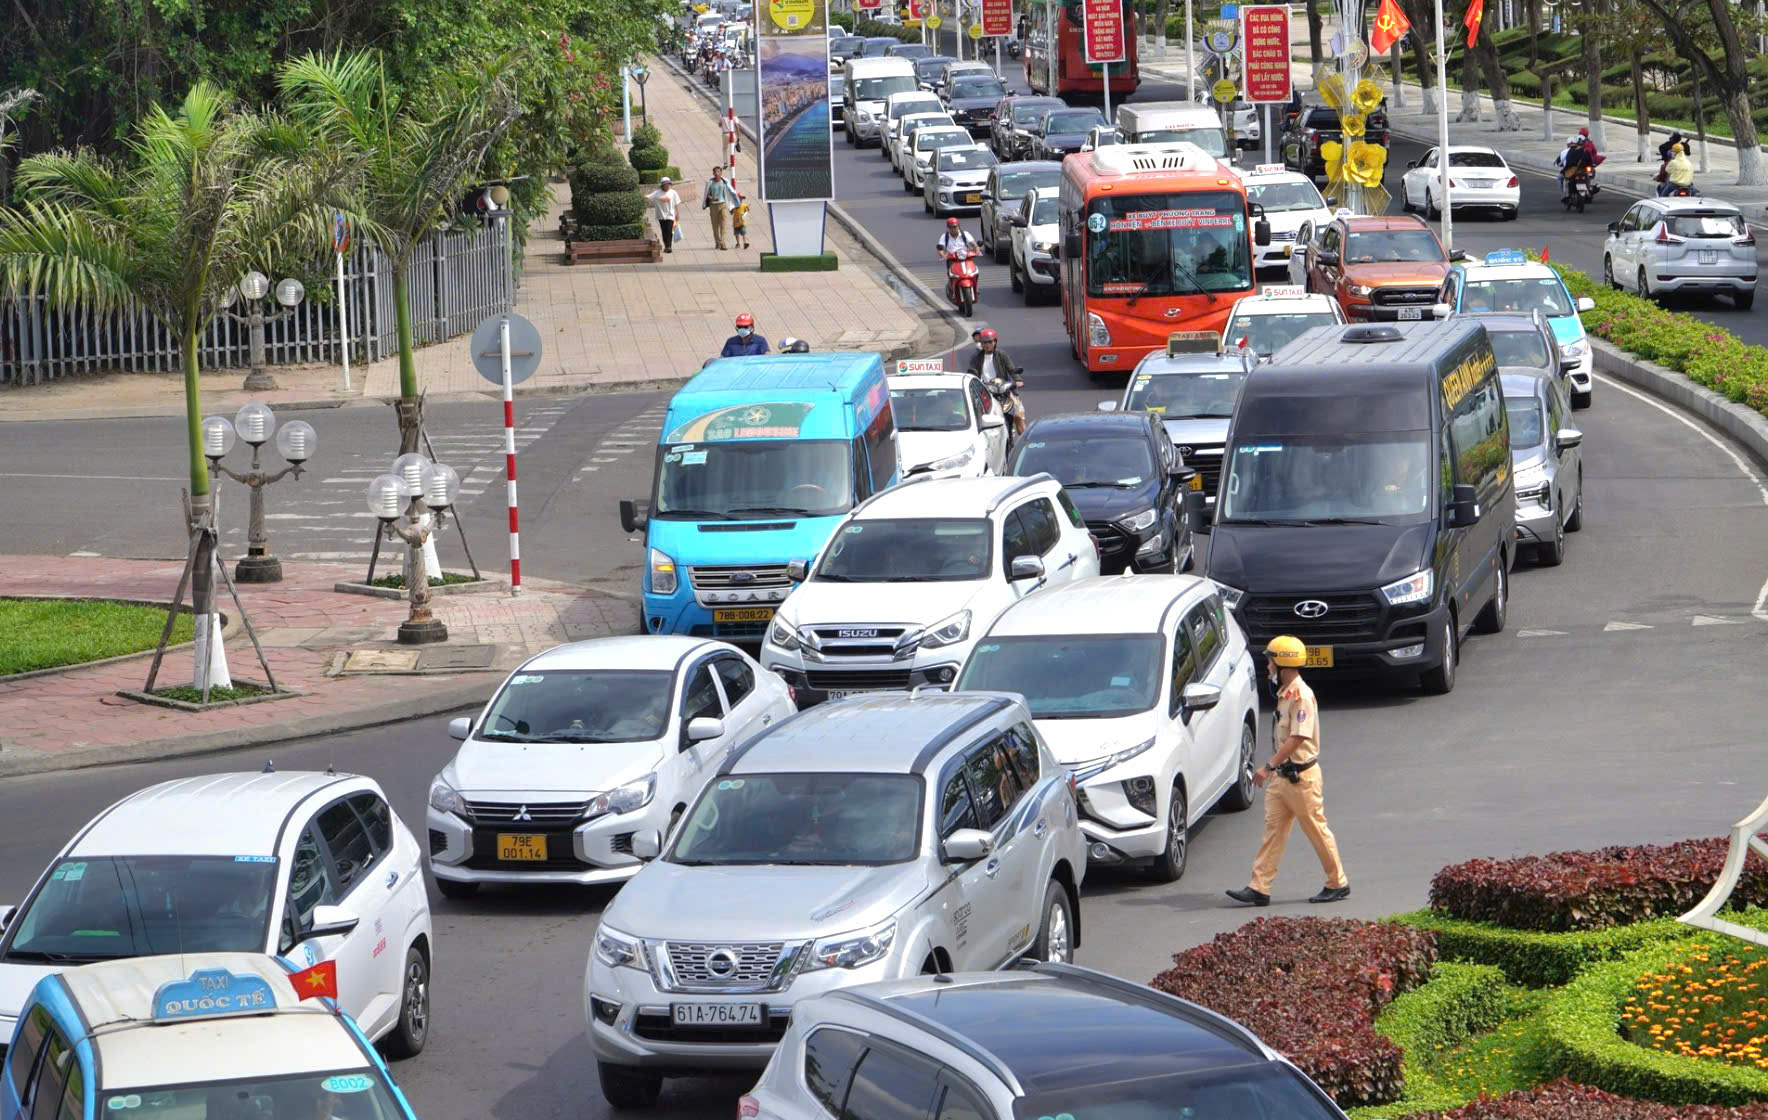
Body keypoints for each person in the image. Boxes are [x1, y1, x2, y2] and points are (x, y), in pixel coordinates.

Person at [1226, 636, 1350, 907]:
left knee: (1317, 831)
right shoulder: (1285, 693)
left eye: (1270, 660)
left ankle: (1337, 882)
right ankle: (1259, 887)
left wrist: (1268, 766)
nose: (1267, 665)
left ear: (1282, 663)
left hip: (1301, 778)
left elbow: (1297, 738)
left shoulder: (1301, 696)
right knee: (1272, 833)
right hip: (1283, 779)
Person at [966, 329, 1025, 436]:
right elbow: (971, 372)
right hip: (984, 391)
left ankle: (1025, 443)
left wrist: (1018, 380)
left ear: (995, 342)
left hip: (1003, 390)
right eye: (985, 342)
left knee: (1018, 415)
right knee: (975, 416)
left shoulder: (1002, 355)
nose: (988, 345)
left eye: (990, 342)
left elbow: (1011, 369)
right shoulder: (976, 358)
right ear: (981, 343)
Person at [703, 166, 735, 249]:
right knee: (715, 226)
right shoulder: (710, 183)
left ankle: (722, 243)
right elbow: (707, 195)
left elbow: (730, 194)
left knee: (724, 225)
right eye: (715, 172)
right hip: (713, 205)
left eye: (718, 172)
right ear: (713, 173)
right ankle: (717, 242)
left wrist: (732, 207)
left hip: (723, 204)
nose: (717, 173)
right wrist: (713, 198)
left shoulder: (725, 182)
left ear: (721, 173)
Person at [647, 176, 681, 253]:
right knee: (664, 231)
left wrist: (677, 213)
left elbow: (677, 202)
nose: (668, 186)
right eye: (666, 184)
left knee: (669, 230)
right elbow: (648, 197)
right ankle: (666, 245)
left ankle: (669, 246)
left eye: (669, 184)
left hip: (670, 215)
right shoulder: (657, 193)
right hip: (661, 215)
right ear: (662, 185)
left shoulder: (673, 192)